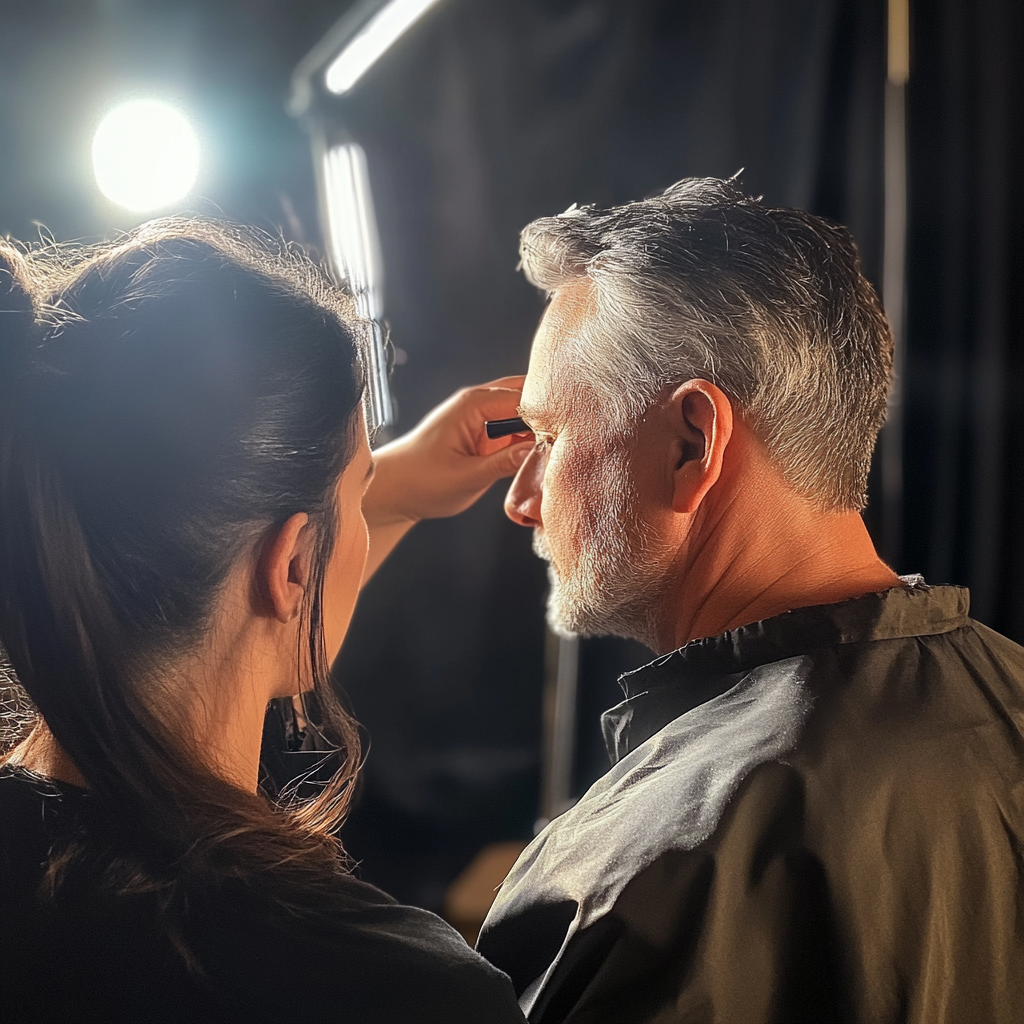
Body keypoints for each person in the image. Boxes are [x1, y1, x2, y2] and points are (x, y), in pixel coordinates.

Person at [476, 177, 1024, 1023]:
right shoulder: (1011, 701)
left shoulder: (651, 873)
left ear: (694, 441)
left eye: (549, 437)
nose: (521, 497)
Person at [0, 219, 533, 1023]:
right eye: (357, 495)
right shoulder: (395, 991)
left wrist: (370, 489)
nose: (367, 502)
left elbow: (228, 548)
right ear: (291, 563)